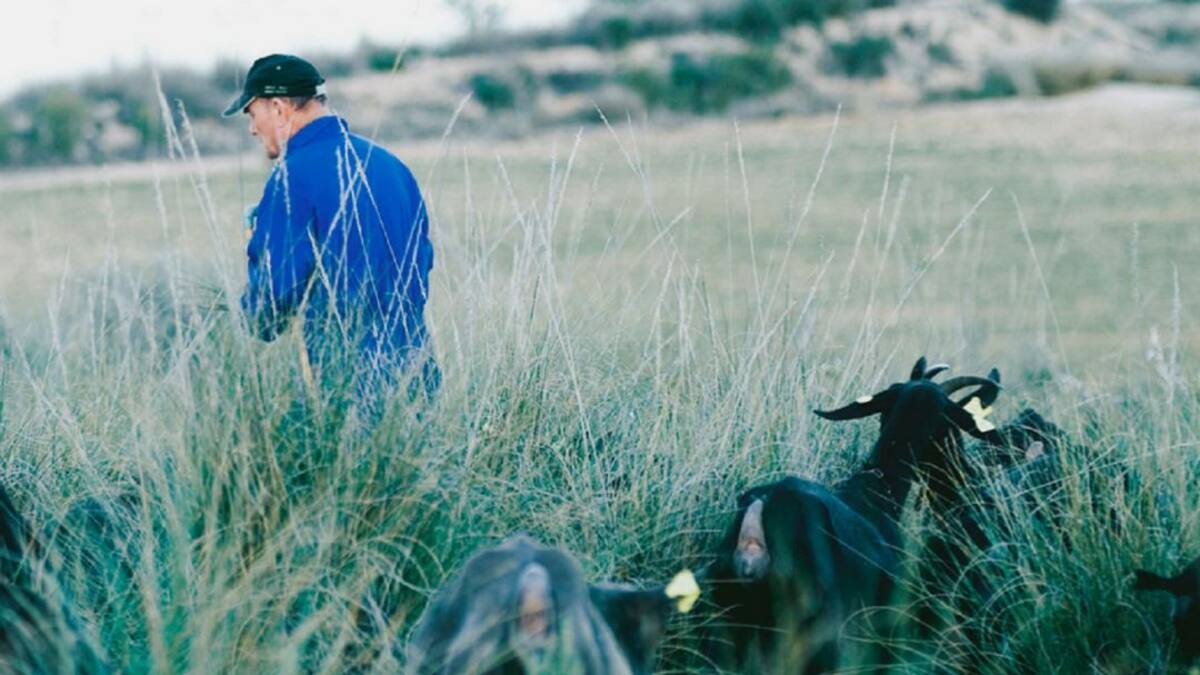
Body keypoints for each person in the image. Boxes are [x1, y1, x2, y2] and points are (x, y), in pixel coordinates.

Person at [224, 54, 438, 418]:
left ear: (277, 108)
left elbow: (271, 307)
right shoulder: (392, 166)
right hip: (420, 378)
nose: (252, 129)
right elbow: (422, 263)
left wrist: (254, 273)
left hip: (346, 388)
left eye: (251, 113)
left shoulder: (292, 178)